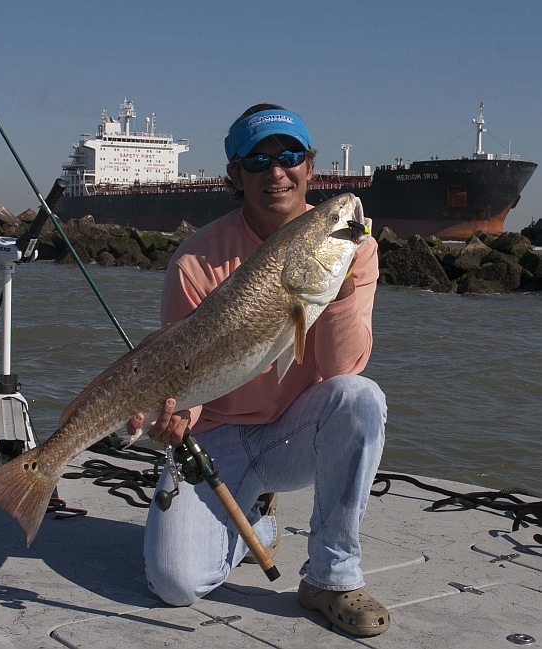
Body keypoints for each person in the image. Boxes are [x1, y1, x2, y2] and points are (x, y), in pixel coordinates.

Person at [127, 103, 389, 637]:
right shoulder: (196, 260)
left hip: (296, 432)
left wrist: (336, 297)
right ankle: (254, 514)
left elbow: (343, 367)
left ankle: (332, 577)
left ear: (310, 166)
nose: (277, 172)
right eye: (257, 160)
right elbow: (186, 373)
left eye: (291, 156)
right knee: (175, 585)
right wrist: (173, 419)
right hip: (216, 437)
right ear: (234, 174)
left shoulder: (349, 245)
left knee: (361, 397)